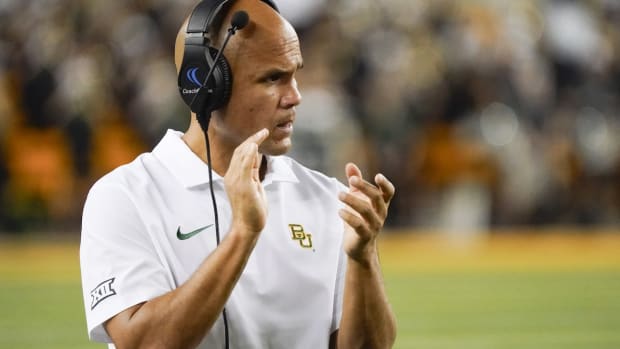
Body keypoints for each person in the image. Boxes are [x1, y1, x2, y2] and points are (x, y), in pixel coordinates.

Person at [80, 0, 397, 348]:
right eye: (273, 78)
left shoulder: (328, 199)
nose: (295, 97)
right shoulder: (123, 197)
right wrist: (243, 234)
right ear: (205, 85)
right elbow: (143, 343)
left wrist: (362, 258)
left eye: (295, 74)